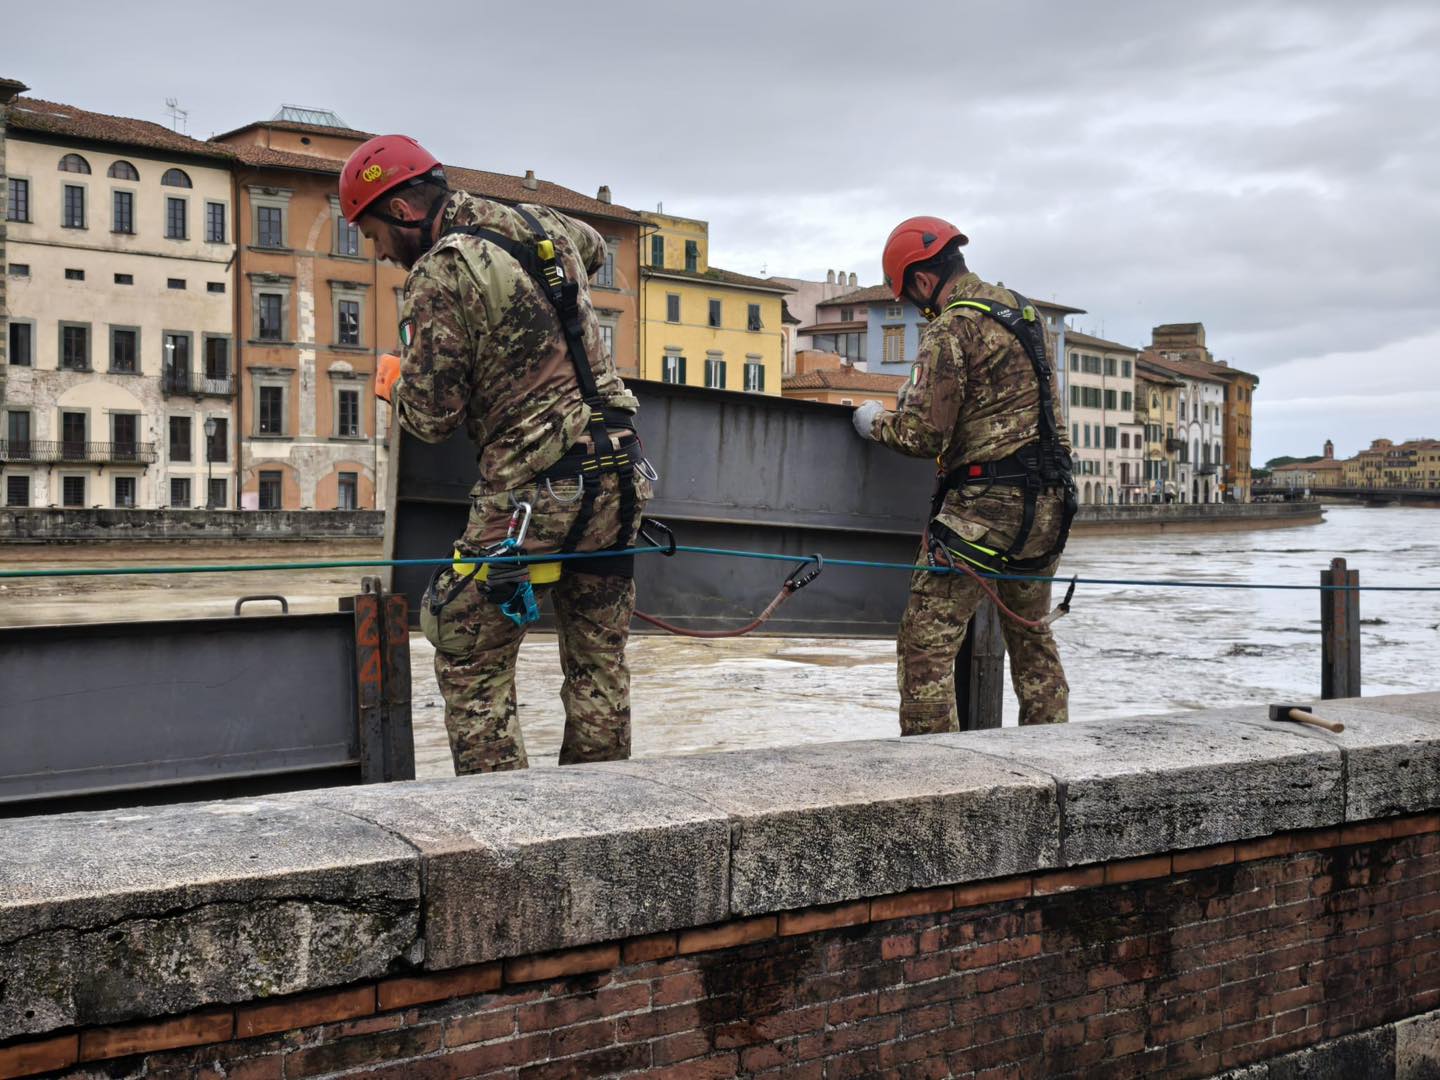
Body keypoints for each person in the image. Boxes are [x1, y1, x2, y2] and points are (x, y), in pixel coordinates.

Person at [339, 134, 650, 774]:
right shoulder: (543, 224)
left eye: (374, 234)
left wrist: (395, 382)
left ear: (401, 211)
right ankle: (607, 812)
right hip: (621, 471)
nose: (380, 252)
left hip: (534, 491)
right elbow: (591, 252)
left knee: (465, 647)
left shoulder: (441, 271)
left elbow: (432, 418)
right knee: (598, 659)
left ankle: (504, 826)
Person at [851, 216, 1076, 733]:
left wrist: (872, 422)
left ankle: (940, 778)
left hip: (984, 509)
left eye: (912, 297)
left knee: (926, 647)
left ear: (923, 281)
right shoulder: (1025, 312)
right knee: (1032, 636)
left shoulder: (952, 326)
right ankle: (1055, 760)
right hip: (1051, 504)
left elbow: (921, 434)